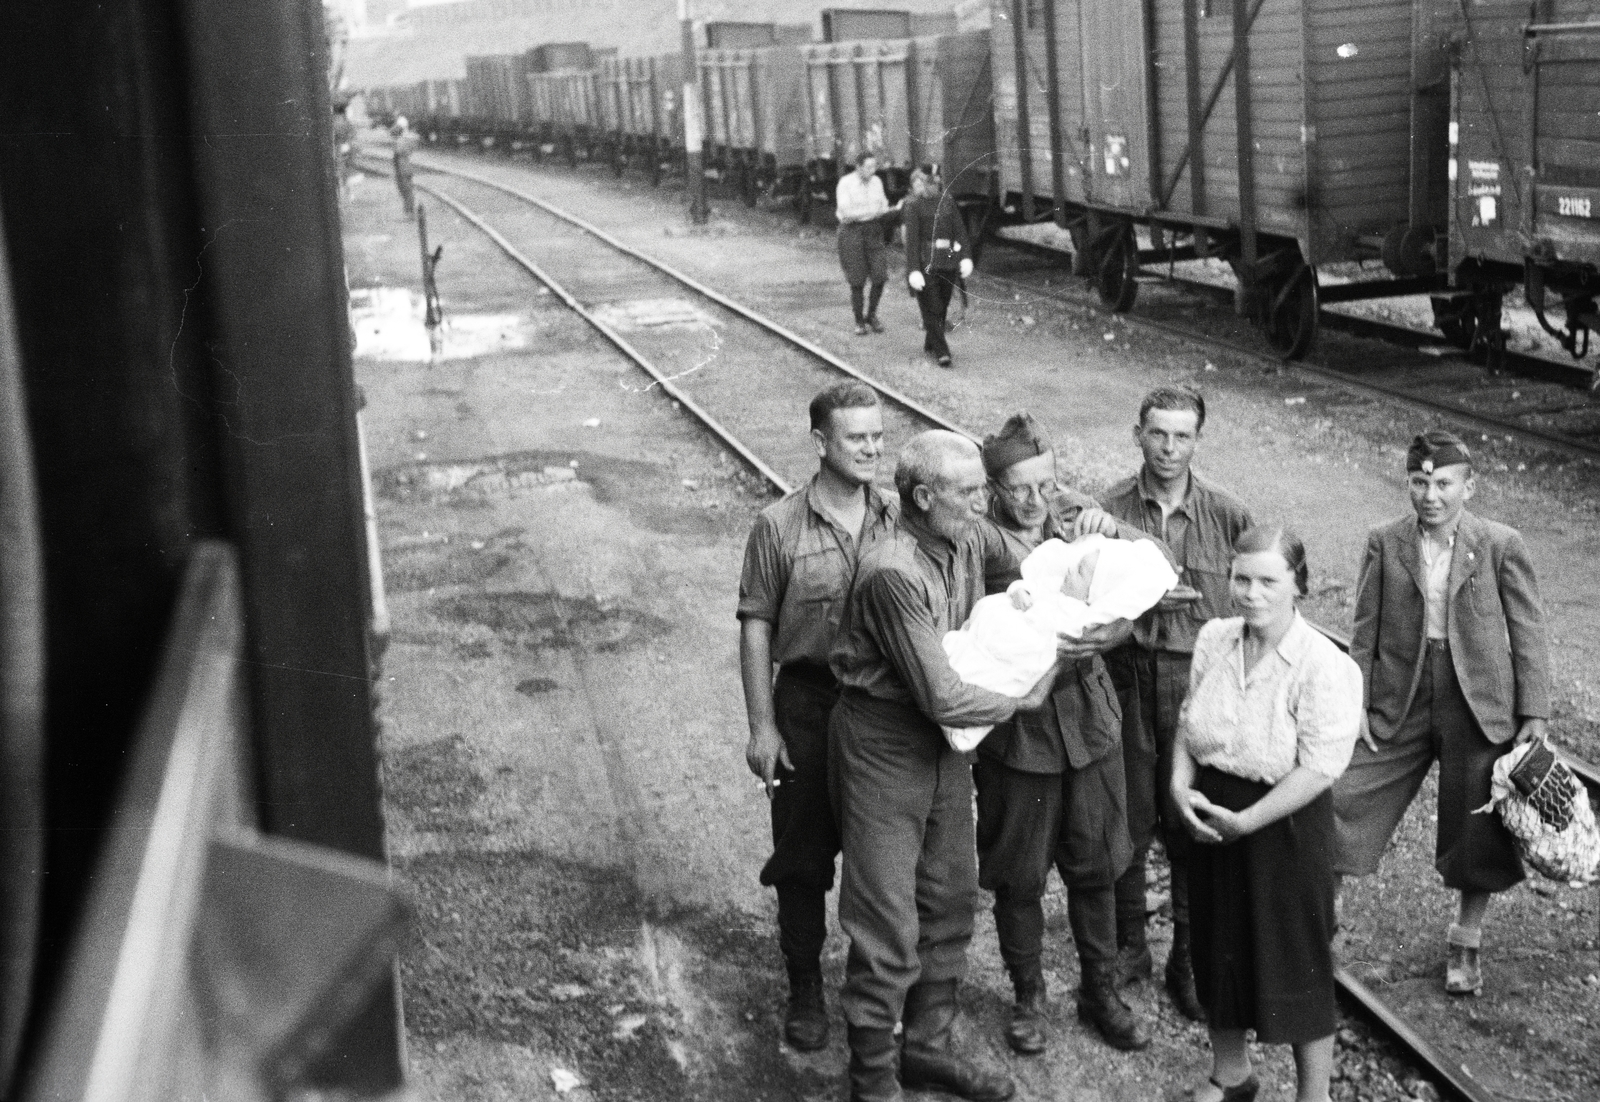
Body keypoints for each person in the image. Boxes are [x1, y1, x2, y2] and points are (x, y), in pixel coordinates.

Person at [829, 430, 1059, 1102]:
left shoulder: (963, 534)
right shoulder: (892, 571)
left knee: (952, 896)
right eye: (968, 492)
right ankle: (872, 1082)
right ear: (924, 497)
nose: (984, 502)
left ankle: (926, 1047)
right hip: (885, 743)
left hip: (942, 749)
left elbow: (1027, 540)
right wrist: (1027, 692)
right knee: (885, 921)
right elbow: (942, 695)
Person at [1332, 430, 1551, 996]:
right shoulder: (1386, 540)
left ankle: (1465, 942)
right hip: (1399, 693)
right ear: (1408, 483)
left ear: (1468, 486)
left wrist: (1535, 712)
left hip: (1476, 699)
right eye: (1420, 482)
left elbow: (1528, 630)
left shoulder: (1499, 542)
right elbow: (1364, 629)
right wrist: (1355, 699)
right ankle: (1317, 924)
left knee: (1477, 822)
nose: (1431, 495)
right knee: (1343, 795)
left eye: (1444, 483)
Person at [970, 413, 1155, 1055]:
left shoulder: (1073, 519)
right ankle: (1028, 995)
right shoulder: (979, 543)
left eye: (1045, 484)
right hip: (1019, 734)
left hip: (1090, 720)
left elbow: (1137, 585)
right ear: (993, 487)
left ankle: (1099, 990)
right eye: (1018, 488)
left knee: (1098, 865)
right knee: (1019, 874)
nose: (1034, 500)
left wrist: (1116, 629)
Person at [1171, 527, 1363, 1102]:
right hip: (1211, 813)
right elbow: (1188, 723)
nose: (1251, 593)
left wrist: (1248, 822)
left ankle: (1313, 1095)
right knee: (1215, 943)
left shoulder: (1322, 665)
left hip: (1284, 824)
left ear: (1297, 586)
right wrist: (1181, 787)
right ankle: (1230, 1075)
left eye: (1268, 581)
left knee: (1295, 955)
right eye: (1241, 579)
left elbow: (1321, 767)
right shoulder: (1214, 638)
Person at [737, 381, 896, 1051]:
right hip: (807, 702)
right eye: (855, 437)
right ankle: (804, 984)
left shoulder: (895, 514)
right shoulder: (779, 525)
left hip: (884, 707)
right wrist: (762, 725)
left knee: (883, 858)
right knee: (802, 856)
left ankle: (874, 991)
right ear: (821, 442)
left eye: (877, 437)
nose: (869, 448)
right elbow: (756, 628)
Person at [1089, 385, 1253, 1020]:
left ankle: (1187, 957)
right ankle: (1130, 945)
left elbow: (1256, 603)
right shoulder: (1106, 509)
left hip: (1196, 684)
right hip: (1125, 676)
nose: (1168, 448)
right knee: (1125, 815)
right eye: (1158, 433)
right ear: (1138, 433)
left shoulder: (1228, 516)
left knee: (1190, 818)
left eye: (1182, 436)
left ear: (1198, 441)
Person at [902, 165, 973, 367]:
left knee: (941, 305)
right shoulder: (913, 205)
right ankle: (942, 351)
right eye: (928, 182)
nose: (932, 186)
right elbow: (912, 242)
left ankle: (931, 340)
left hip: (948, 261)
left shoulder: (948, 202)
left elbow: (959, 231)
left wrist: (965, 256)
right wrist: (913, 269)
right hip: (926, 263)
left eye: (935, 182)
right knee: (932, 306)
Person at [836, 154, 891, 336]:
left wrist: (869, 212)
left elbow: (884, 206)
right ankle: (859, 320)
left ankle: (871, 314)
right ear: (858, 167)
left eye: (874, 166)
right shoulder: (846, 183)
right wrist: (870, 211)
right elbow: (846, 211)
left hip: (873, 230)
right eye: (868, 167)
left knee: (880, 274)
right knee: (857, 278)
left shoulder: (877, 182)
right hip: (852, 232)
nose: (872, 171)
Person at [392, 116, 419, 219]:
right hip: (404, 167)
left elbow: (399, 151)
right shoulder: (407, 138)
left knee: (406, 190)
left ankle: (409, 213)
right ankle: (408, 212)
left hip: (403, 167)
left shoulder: (403, 139)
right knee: (405, 189)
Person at [332, 102, 355, 199]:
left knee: (338, 171)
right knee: (346, 172)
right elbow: (352, 133)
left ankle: (339, 193)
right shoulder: (346, 121)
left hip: (337, 149)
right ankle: (348, 193)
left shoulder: (333, 121)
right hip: (346, 148)